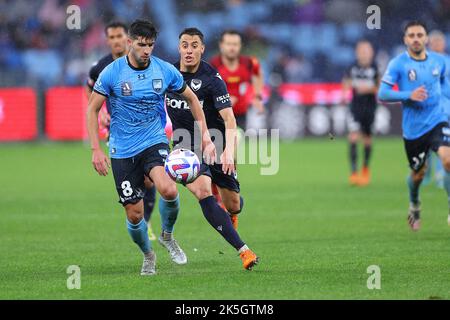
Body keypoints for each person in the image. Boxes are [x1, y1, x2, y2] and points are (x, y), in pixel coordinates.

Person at [86, 19, 216, 276]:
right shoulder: (112, 72)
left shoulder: (165, 70)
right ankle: (148, 254)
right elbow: (92, 109)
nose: (146, 50)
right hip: (122, 148)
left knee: (168, 188)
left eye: (151, 45)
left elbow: (191, 99)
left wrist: (205, 136)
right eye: (142, 45)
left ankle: (167, 235)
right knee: (135, 215)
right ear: (129, 43)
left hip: (153, 140)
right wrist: (95, 149)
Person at [166, 27, 259, 270]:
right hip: (185, 145)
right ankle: (244, 251)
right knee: (203, 191)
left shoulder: (211, 78)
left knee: (233, 204)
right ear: (179, 48)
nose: (189, 50)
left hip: (216, 142)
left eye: (194, 45)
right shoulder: (167, 74)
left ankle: (230, 212)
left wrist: (228, 151)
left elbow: (229, 119)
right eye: (185, 45)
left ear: (202, 49)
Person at [85, 21, 157, 240]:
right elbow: (90, 95)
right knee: (138, 178)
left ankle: (147, 220)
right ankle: (137, 214)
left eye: (119, 36)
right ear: (107, 40)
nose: (116, 41)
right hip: (117, 131)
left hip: (147, 129)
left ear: (128, 39)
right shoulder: (101, 68)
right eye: (111, 37)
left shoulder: (143, 61)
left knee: (150, 178)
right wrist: (101, 112)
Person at [378, 20, 450, 230]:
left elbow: (444, 82)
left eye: (420, 35)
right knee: (418, 174)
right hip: (414, 129)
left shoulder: (440, 61)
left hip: (438, 119)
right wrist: (408, 95)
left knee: (447, 160)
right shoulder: (398, 64)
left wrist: (445, 102)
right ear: (405, 39)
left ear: (426, 38)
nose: (416, 39)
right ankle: (414, 202)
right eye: (412, 36)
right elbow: (383, 93)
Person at [210, 29, 264, 227]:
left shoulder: (249, 63)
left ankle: (228, 198)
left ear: (239, 46)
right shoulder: (213, 65)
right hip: (215, 119)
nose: (232, 47)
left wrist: (257, 96)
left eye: (235, 44)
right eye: (228, 44)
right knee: (214, 159)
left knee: (232, 150)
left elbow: (257, 75)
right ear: (222, 46)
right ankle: (221, 196)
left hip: (238, 119)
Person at [342, 40, 380, 186]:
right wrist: (345, 92)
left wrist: (367, 89)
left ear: (371, 53)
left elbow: (379, 87)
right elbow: (345, 82)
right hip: (355, 107)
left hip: (370, 107)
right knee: (352, 137)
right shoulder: (352, 67)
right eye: (362, 50)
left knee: (367, 139)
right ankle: (353, 172)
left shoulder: (375, 67)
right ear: (357, 52)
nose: (364, 53)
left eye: (367, 50)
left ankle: (365, 169)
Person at [423, 30, 450, 188]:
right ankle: (426, 173)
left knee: (444, 141)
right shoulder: (423, 61)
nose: (437, 44)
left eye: (440, 42)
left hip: (445, 108)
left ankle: (441, 173)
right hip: (427, 108)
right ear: (429, 44)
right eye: (434, 42)